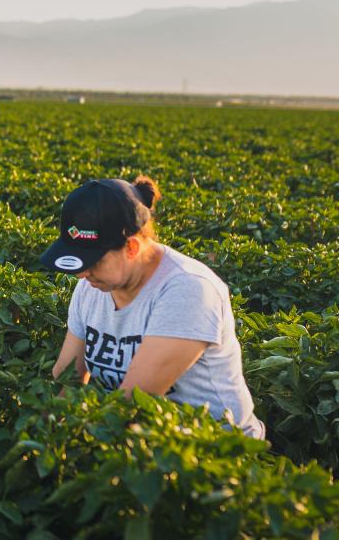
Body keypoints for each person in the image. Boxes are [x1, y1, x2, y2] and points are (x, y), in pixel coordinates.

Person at [41, 176, 265, 439]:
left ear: (132, 248)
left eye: (93, 262)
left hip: (219, 453)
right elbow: (67, 381)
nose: (82, 274)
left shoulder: (187, 291)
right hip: (147, 444)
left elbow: (130, 404)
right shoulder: (91, 289)